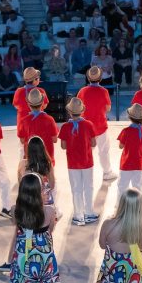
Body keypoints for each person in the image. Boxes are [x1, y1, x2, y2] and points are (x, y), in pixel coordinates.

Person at [59, 97, 98, 226]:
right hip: (87, 161)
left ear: (69, 112)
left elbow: (63, 146)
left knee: (76, 189)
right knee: (88, 187)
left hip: (72, 163)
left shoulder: (65, 126)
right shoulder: (89, 124)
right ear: (82, 111)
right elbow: (93, 143)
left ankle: (78, 215)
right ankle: (89, 213)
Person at [77, 66, 115, 181]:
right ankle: (107, 173)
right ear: (100, 78)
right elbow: (108, 108)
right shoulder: (104, 91)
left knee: (86, 151)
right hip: (100, 126)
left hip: (86, 127)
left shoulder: (82, 91)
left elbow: (78, 108)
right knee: (103, 151)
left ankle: (83, 172)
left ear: (88, 78)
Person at [118, 103, 142, 196]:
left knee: (122, 186)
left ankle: (120, 205)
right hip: (139, 163)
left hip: (126, 163)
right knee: (138, 186)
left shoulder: (126, 131)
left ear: (130, 117)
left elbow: (121, 146)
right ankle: (138, 206)